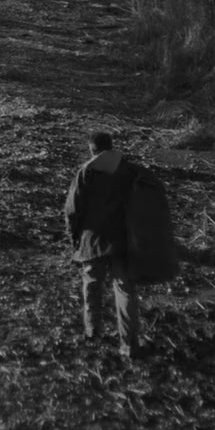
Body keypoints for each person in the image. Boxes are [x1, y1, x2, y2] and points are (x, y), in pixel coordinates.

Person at [63, 131, 142, 358]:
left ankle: (92, 331)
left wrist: (73, 236)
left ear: (92, 149)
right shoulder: (128, 170)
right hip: (122, 240)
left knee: (92, 286)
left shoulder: (86, 172)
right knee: (125, 291)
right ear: (111, 146)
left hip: (93, 240)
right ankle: (129, 344)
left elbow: (72, 209)